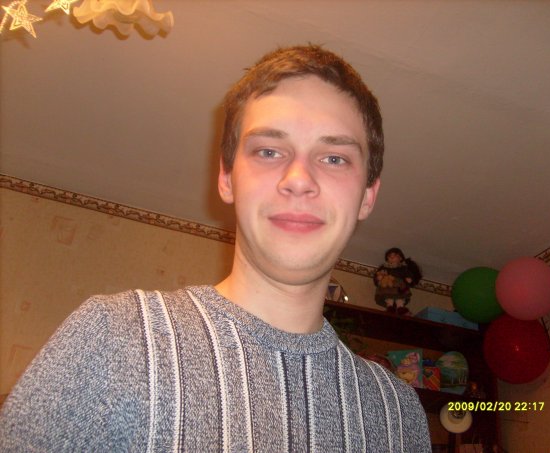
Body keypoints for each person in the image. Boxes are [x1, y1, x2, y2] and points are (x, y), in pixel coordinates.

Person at [0, 44, 430, 452]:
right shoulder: (115, 338)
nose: (299, 179)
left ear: (368, 196)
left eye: (334, 158)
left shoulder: (397, 412)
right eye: (268, 151)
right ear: (226, 178)